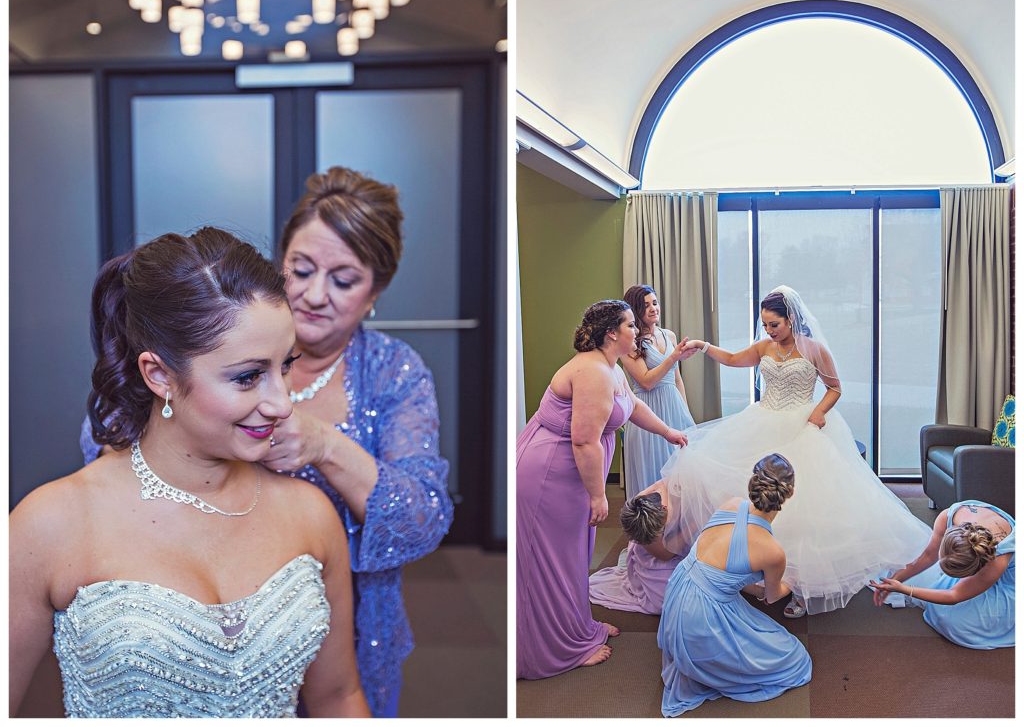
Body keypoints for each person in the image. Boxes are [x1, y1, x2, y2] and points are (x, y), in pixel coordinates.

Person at [81, 167, 453, 717]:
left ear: (375, 291)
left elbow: (422, 518)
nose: (312, 294)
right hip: (194, 612)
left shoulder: (395, 372)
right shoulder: (197, 351)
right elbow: (109, 459)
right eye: (299, 269)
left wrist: (327, 446)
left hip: (341, 621)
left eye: (343, 280)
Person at [11, 229, 370, 718]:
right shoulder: (50, 524)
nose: (283, 403)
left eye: (285, 366)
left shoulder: (310, 514)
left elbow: (338, 698)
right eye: (247, 376)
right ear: (159, 375)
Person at [660, 285, 931, 617]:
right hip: (762, 421)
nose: (769, 331)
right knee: (743, 489)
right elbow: (732, 359)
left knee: (804, 508)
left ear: (791, 319)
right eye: (765, 326)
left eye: (774, 324)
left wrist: (819, 412)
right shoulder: (765, 347)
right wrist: (703, 346)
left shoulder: (814, 350)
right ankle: (752, 568)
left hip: (803, 424)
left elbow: (835, 388)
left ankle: (803, 584)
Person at [517, 300, 689, 679]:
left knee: (573, 557)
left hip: (569, 473)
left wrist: (668, 432)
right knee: (552, 560)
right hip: (551, 476)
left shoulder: (609, 366)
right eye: (630, 325)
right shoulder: (593, 371)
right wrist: (598, 495)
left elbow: (630, 407)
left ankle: (577, 629)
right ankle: (558, 646)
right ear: (612, 333)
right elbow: (583, 441)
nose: (636, 332)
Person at [659, 454, 812, 716]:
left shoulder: (730, 504)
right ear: (791, 493)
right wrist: (796, 581)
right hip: (701, 617)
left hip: (677, 593)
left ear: (752, 483)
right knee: (797, 661)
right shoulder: (773, 552)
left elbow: (722, 565)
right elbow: (773, 597)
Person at [870, 500, 1014, 649]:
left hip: (1009, 586)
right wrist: (895, 579)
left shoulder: (997, 561)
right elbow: (928, 556)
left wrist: (905, 589)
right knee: (931, 589)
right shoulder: (949, 516)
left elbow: (954, 596)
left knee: (953, 622)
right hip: (981, 564)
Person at [620, 285, 696, 499]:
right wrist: (674, 357)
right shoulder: (629, 343)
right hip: (647, 413)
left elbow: (677, 379)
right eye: (646, 306)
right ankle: (649, 529)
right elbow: (646, 382)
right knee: (652, 476)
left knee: (679, 475)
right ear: (635, 311)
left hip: (674, 407)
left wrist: (685, 412)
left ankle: (676, 529)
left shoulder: (669, 336)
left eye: (655, 302)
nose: (653, 308)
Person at [589, 478, 683, 614]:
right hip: (658, 550)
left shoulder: (675, 500)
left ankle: (629, 560)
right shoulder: (641, 502)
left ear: (664, 509)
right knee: (664, 600)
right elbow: (665, 554)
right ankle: (631, 560)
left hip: (659, 535)